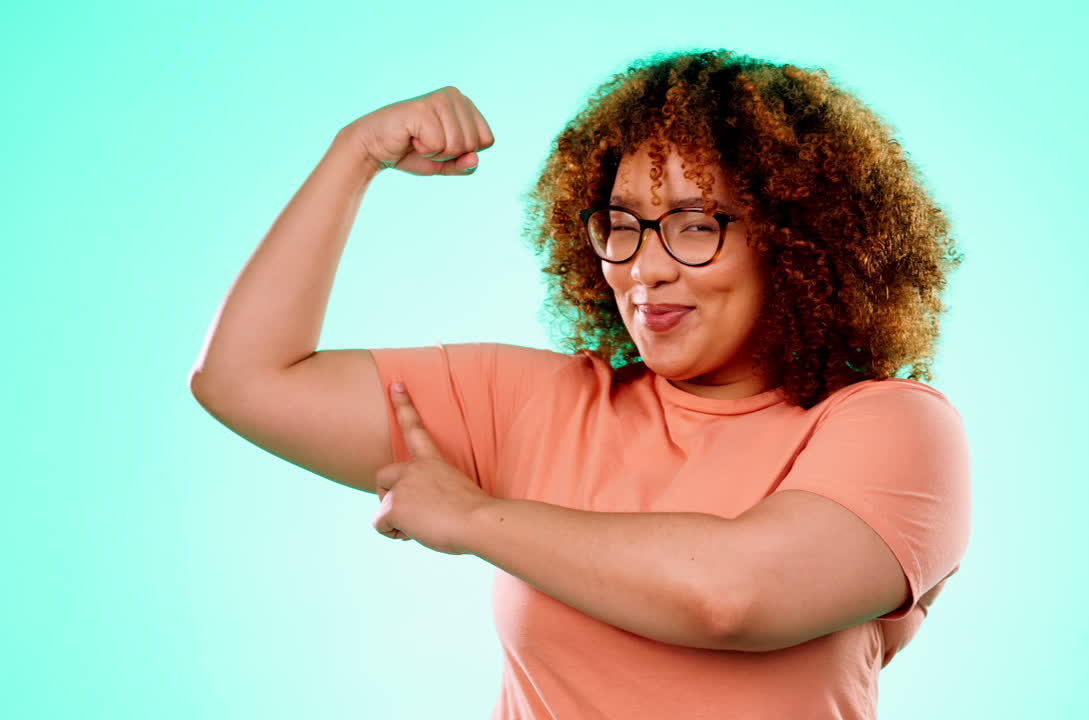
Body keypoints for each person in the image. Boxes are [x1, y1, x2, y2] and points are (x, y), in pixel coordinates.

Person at [190, 48, 969, 720]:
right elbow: (246, 380)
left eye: (696, 223)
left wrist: (475, 519)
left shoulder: (893, 428)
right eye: (621, 223)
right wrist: (353, 154)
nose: (644, 267)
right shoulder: (539, 404)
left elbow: (732, 597)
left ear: (801, 241)